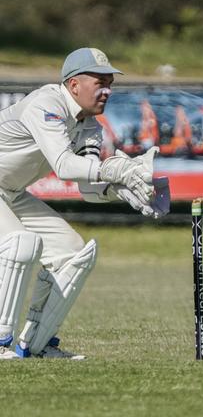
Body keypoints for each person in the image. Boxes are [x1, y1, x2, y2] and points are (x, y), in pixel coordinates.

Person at [0, 47, 170, 360]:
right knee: (20, 244)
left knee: (73, 253)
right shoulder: (46, 104)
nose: (106, 90)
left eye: (110, 83)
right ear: (74, 84)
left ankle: (35, 346)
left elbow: (88, 188)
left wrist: (125, 191)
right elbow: (65, 166)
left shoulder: (90, 126)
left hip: (10, 191)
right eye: (99, 81)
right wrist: (113, 168)